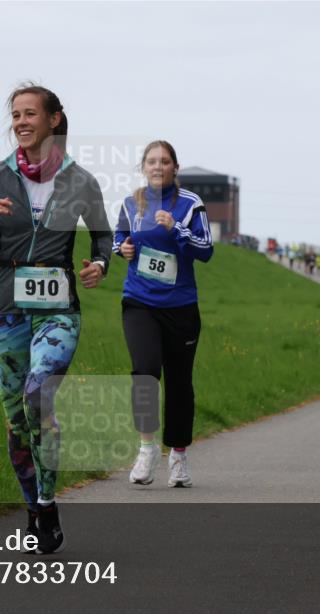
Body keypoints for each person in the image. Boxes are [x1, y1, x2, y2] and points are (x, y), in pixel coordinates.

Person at [0, 84, 112, 553]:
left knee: (37, 396)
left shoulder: (81, 181)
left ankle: (47, 498)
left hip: (58, 311)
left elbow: (103, 238)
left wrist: (99, 264)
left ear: (54, 119)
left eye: (30, 114)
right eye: (16, 115)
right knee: (16, 422)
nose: (22, 122)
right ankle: (35, 506)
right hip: (6, 310)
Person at [115, 140, 213, 487]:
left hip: (181, 307)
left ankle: (179, 456)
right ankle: (146, 449)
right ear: (144, 167)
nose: (158, 166)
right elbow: (120, 239)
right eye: (152, 161)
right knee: (144, 372)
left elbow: (206, 250)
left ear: (175, 168)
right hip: (140, 301)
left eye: (165, 161)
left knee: (179, 383)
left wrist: (177, 229)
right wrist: (122, 248)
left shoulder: (190, 204)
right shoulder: (132, 202)